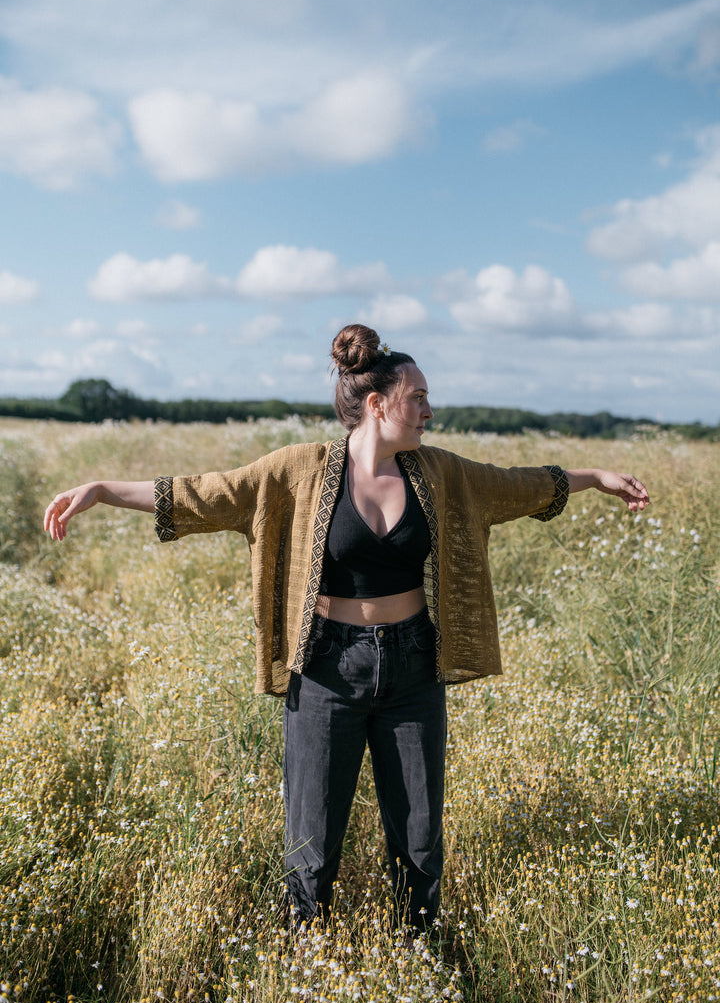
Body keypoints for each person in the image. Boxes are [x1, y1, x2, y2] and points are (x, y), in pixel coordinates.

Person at [44, 323, 649, 932]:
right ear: (378, 404)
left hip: (414, 667)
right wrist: (103, 490)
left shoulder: (437, 471)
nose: (430, 412)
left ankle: (416, 951)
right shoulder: (300, 470)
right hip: (327, 668)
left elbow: (515, 484)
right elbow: (209, 493)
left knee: (419, 836)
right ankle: (305, 949)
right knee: (312, 836)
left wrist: (594, 478)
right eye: (419, 398)